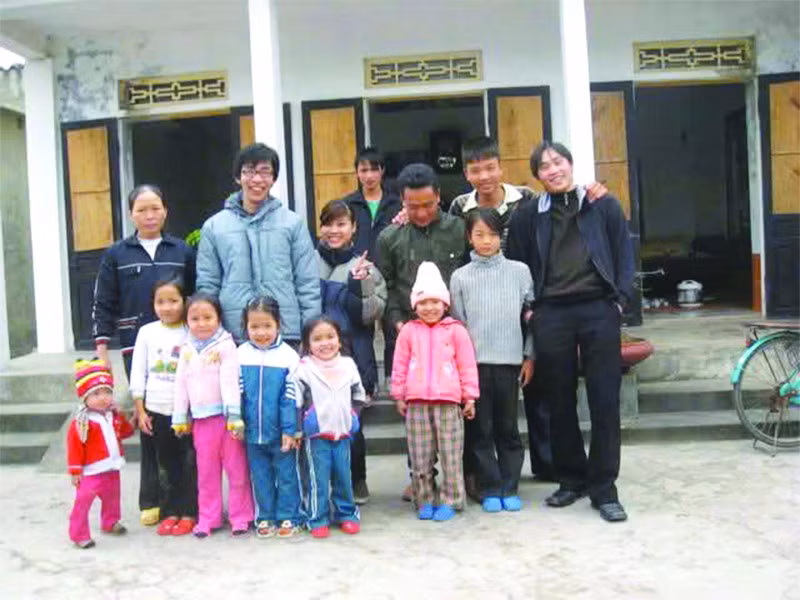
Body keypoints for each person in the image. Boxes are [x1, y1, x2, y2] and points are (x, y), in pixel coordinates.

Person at [506, 141, 634, 523]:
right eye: (544, 166)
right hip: (552, 313)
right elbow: (518, 262)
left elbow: (624, 255)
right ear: (537, 176)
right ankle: (571, 479)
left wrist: (619, 301)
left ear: (571, 164)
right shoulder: (529, 215)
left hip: (597, 309)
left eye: (558, 162)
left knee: (604, 400)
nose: (553, 170)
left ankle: (604, 488)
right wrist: (531, 310)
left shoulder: (603, 205)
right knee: (557, 401)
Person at [92, 184, 195, 526]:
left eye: (155, 208)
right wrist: (102, 349)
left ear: (165, 210)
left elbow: (195, 296)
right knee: (148, 421)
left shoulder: (181, 250)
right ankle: (151, 499)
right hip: (137, 347)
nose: (149, 215)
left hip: (179, 347)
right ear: (131, 213)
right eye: (141, 210)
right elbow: (104, 302)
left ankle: (185, 500)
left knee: (178, 422)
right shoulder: (116, 254)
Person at [375, 163, 467, 501]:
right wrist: (398, 323)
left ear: (439, 197)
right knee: (416, 418)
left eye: (428, 205)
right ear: (402, 201)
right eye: (413, 207)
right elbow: (383, 288)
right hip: (406, 337)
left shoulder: (459, 229)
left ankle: (461, 477)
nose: (422, 212)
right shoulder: (390, 237)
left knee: (453, 413)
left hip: (452, 337)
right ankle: (421, 478)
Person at [450, 208, 534, 513]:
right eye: (479, 234)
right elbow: (457, 325)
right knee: (480, 430)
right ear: (468, 237)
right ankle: (489, 487)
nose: (486, 241)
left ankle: (510, 485)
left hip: (510, 362)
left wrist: (529, 355)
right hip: (475, 366)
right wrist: (461, 367)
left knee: (508, 428)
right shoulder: (460, 277)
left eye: (493, 234)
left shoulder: (520, 272)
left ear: (502, 236)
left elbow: (532, 318)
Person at [196, 143, 320, 346]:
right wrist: (210, 333)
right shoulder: (214, 227)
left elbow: (307, 283)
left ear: (273, 178)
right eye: (249, 172)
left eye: (265, 172)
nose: (257, 180)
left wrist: (310, 331)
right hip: (233, 334)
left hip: (285, 332)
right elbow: (208, 285)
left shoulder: (292, 223)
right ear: (238, 177)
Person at [391, 262, 479, 522]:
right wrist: (399, 394)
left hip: (448, 403)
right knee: (420, 457)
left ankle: (452, 499)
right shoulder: (408, 331)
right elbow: (399, 364)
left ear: (445, 304)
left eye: (435, 302)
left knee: (452, 455)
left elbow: (467, 365)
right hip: (416, 403)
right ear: (414, 306)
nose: (429, 308)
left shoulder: (456, 331)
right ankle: (424, 499)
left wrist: (469, 395)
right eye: (423, 302)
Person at [316, 199, 387, 505]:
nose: (335, 230)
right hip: (316, 358)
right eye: (329, 223)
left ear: (354, 228)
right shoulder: (306, 263)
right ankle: (321, 485)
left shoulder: (366, 266)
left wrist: (362, 286)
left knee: (353, 426)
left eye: (342, 224)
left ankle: (357, 480)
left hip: (355, 357)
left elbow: (371, 314)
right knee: (316, 423)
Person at [171, 293, 254, 537]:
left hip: (226, 421)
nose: (202, 323)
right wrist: (179, 416)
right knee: (206, 473)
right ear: (187, 321)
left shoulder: (226, 346)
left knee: (237, 470)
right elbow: (180, 384)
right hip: (200, 422)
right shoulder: (185, 349)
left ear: (218, 318)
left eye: (208, 317)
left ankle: (241, 516)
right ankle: (209, 518)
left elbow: (230, 381)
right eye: (195, 318)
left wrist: (234, 415)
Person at [128, 278, 197, 536]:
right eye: (160, 302)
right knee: (165, 465)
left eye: (173, 301)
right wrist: (141, 408)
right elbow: (138, 372)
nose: (167, 307)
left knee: (189, 463)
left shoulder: (192, 331)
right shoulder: (147, 332)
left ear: (184, 301)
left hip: (186, 412)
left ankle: (190, 512)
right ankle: (170, 511)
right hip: (156, 410)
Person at [238, 296, 304, 539]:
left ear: (278, 324)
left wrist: (291, 429)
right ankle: (265, 515)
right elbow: (237, 393)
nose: (261, 332)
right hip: (252, 433)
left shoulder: (288, 356)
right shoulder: (240, 355)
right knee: (261, 477)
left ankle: (289, 515)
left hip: (282, 434)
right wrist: (237, 421)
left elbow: (293, 397)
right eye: (254, 327)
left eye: (267, 325)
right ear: (246, 327)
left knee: (286, 476)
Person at [295, 317, 365, 539]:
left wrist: (353, 417)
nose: (325, 343)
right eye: (317, 339)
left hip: (342, 434)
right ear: (307, 344)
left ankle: (347, 514)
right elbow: (295, 402)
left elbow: (359, 395)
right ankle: (317, 517)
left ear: (339, 340)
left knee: (343, 476)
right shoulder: (304, 368)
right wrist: (302, 426)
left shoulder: (348, 365)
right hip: (316, 436)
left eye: (330, 337)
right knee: (317, 478)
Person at [67, 359, 135, 549]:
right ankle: (79, 534)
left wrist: (129, 420)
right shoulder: (82, 422)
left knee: (112, 497)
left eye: (107, 392)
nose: (103, 398)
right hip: (91, 471)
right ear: (84, 397)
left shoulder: (112, 415)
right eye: (96, 394)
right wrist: (75, 470)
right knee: (83, 501)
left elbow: (125, 432)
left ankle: (110, 522)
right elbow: (74, 447)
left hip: (112, 467)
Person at [341, 146, 403, 259]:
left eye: (374, 169)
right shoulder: (347, 205)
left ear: (382, 171)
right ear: (356, 172)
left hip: (388, 269)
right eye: (364, 170)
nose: (369, 176)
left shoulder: (396, 204)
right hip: (356, 268)